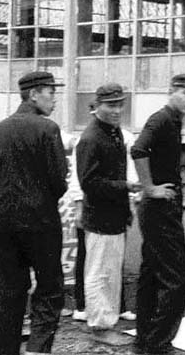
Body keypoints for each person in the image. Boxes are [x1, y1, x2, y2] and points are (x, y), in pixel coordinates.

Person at [0, 71, 68, 355]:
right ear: (33, 95)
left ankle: (2, 351)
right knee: (49, 289)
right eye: (51, 93)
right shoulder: (48, 129)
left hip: (2, 222)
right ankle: (37, 350)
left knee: (9, 289)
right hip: (40, 222)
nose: (54, 99)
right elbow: (59, 181)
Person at [130, 73, 185, 355]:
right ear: (171, 91)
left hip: (161, 208)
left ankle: (144, 342)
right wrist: (150, 188)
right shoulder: (161, 119)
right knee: (176, 280)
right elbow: (138, 149)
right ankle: (158, 345)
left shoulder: (173, 121)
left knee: (151, 274)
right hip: (160, 208)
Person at [75, 84, 142, 340]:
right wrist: (125, 186)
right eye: (110, 105)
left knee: (111, 273)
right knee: (99, 273)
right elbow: (89, 183)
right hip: (100, 218)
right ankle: (100, 326)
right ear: (97, 106)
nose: (117, 110)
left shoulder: (113, 134)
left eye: (120, 104)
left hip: (115, 215)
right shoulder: (91, 138)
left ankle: (107, 321)